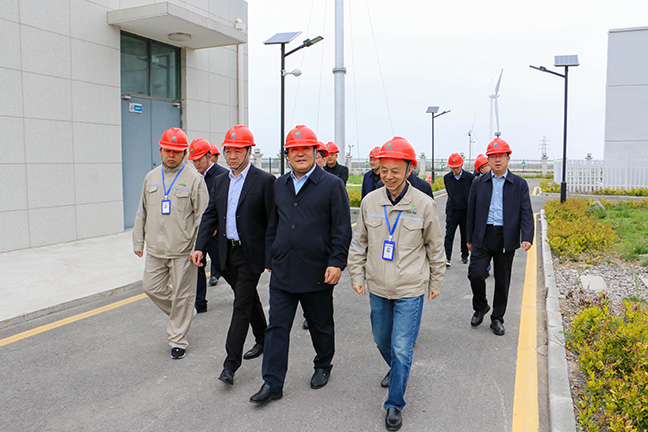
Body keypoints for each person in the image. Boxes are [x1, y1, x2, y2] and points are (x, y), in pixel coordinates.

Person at [348, 136, 445, 432]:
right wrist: (356, 275)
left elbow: (434, 246)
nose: (389, 176)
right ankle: (397, 369)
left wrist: (436, 280)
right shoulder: (370, 202)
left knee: (402, 347)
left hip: (410, 288)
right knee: (382, 339)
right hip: (377, 285)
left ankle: (394, 403)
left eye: (396, 170)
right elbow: (359, 243)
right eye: (384, 170)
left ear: (409, 169)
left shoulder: (424, 204)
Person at [250, 125, 352, 404]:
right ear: (287, 155)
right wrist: (271, 257)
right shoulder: (279, 185)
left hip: (317, 270)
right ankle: (272, 383)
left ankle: (323, 364)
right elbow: (273, 225)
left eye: (305, 148)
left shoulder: (332, 185)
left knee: (320, 325)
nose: (300, 154)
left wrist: (337, 262)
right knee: (276, 328)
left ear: (315, 151)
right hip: (283, 270)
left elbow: (342, 228)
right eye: (294, 150)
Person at [191, 125, 275, 385]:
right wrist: (199, 246)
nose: (232, 156)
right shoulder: (220, 181)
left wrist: (271, 256)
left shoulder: (264, 181)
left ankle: (230, 365)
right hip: (226, 253)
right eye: (229, 151)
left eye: (238, 151)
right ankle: (263, 337)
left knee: (240, 305)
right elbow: (210, 215)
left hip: (251, 254)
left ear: (249, 151)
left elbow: (273, 221)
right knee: (248, 298)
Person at [133, 127, 208, 359]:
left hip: (183, 250)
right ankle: (184, 313)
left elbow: (203, 217)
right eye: (167, 150)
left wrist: (197, 247)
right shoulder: (151, 177)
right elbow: (142, 211)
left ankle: (178, 340)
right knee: (151, 288)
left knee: (183, 295)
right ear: (161, 150)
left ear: (185, 153)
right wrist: (138, 241)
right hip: (155, 248)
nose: (171, 155)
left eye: (176, 151)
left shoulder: (194, 179)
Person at [466, 138, 534, 336]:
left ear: (508, 158)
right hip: (483, 234)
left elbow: (526, 212)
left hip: (506, 236)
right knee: (475, 274)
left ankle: (497, 318)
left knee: (502, 281)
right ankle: (481, 307)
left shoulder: (519, 184)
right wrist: (469, 238)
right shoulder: (478, 183)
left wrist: (527, 236)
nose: (497, 160)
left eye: (501, 156)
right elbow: (471, 211)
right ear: (487, 159)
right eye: (493, 156)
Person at [188, 138, 227, 313]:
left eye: (199, 160)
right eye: (194, 161)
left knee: (224, 265)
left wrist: (217, 225)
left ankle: (243, 294)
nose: (197, 164)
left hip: (216, 232)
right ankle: (200, 303)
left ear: (209, 156)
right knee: (198, 265)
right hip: (199, 230)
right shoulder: (195, 177)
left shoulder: (222, 175)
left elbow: (225, 204)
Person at [443, 153, 474, 268]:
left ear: (461, 165)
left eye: (457, 167)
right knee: (449, 235)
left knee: (465, 234)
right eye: (452, 168)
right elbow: (449, 193)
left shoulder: (469, 177)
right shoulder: (447, 178)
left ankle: (464, 255)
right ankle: (447, 257)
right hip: (452, 211)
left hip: (466, 211)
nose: (455, 170)